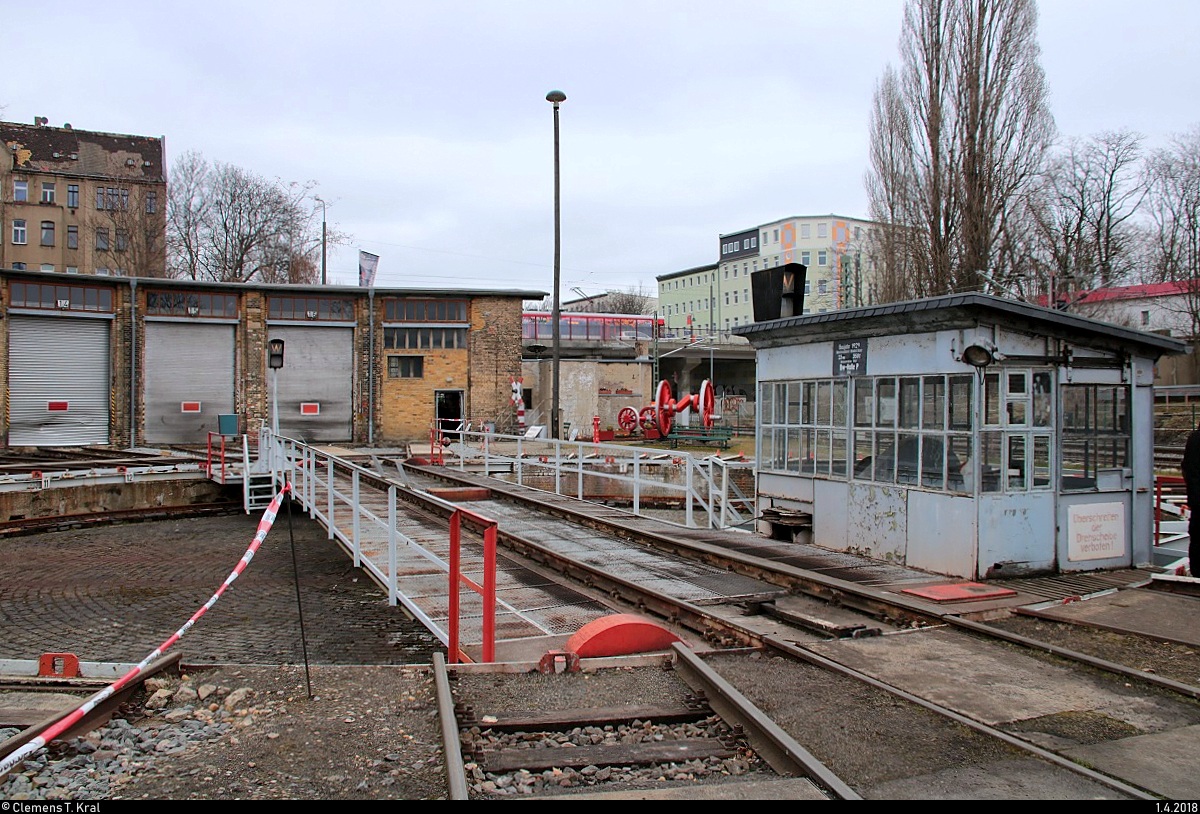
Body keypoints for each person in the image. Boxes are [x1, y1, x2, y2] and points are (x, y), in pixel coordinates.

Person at [1181, 426, 1200, 576]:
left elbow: (1187, 467)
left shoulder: (1194, 438)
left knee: (1197, 538)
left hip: (1197, 500)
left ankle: (1196, 573)